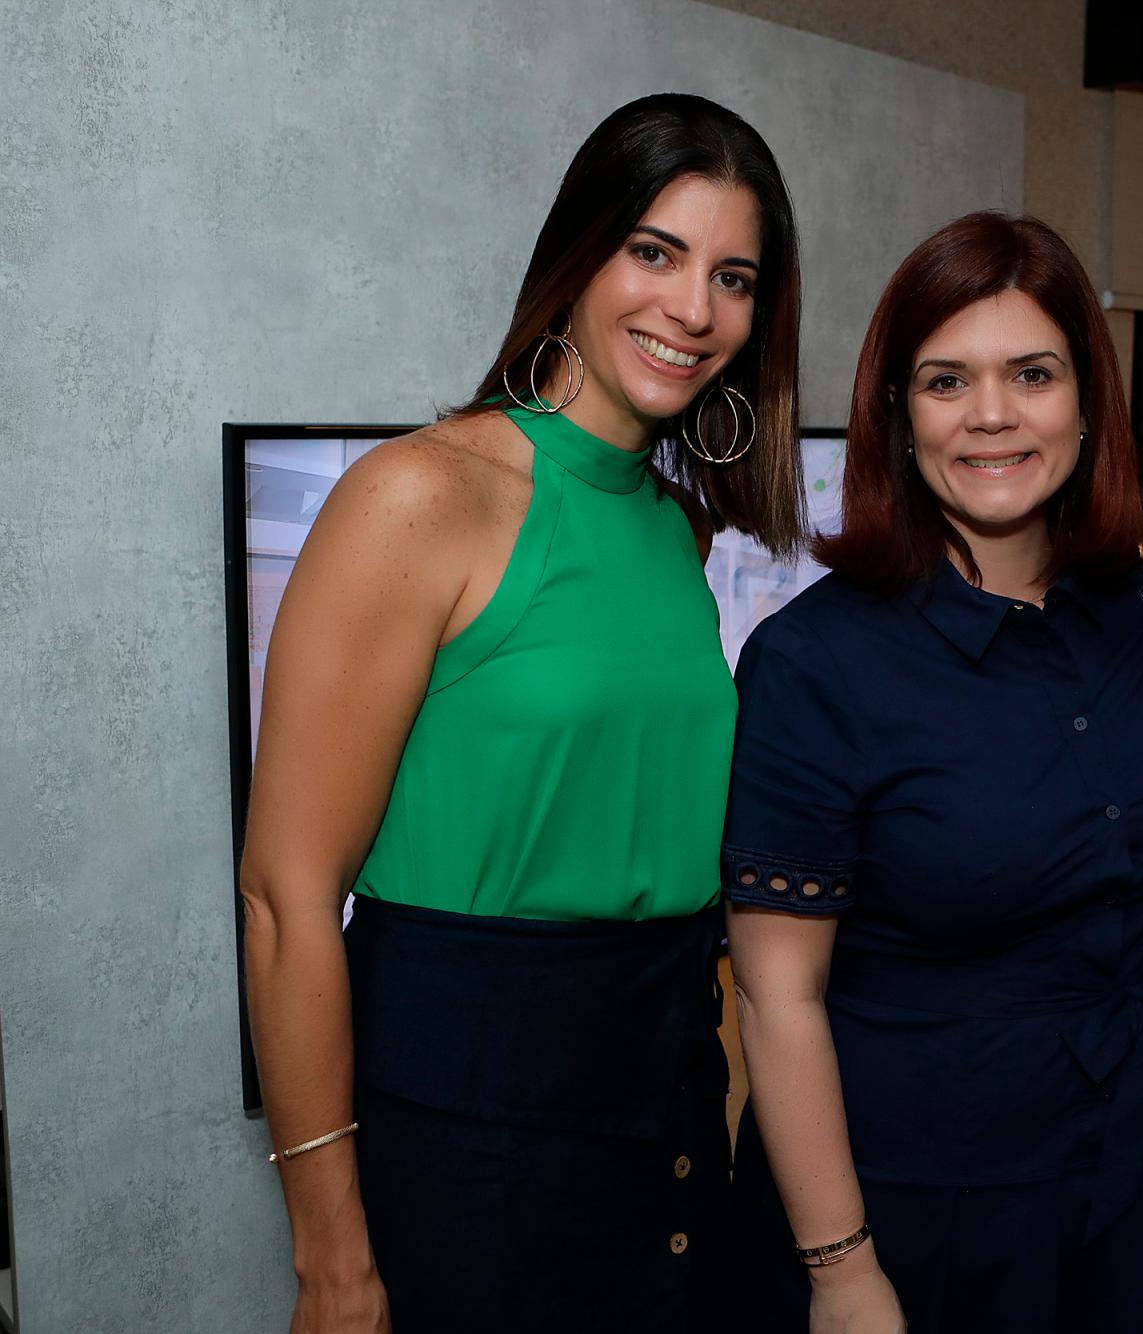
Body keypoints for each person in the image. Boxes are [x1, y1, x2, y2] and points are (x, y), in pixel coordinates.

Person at [237, 93, 806, 1333]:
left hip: (657, 1114)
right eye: (653, 252)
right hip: (468, 1132)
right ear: (578, 253)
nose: (693, 309)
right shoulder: (415, 495)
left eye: (733, 276)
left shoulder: (676, 528)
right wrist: (330, 1263)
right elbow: (285, 895)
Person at [723, 212, 1143, 1334]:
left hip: (1134, 1186)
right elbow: (775, 997)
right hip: (920, 1216)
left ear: (1087, 402)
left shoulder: (1137, 608)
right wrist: (842, 1271)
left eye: (1030, 373)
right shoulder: (815, 662)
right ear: (897, 417)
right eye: (946, 381)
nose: (991, 414)